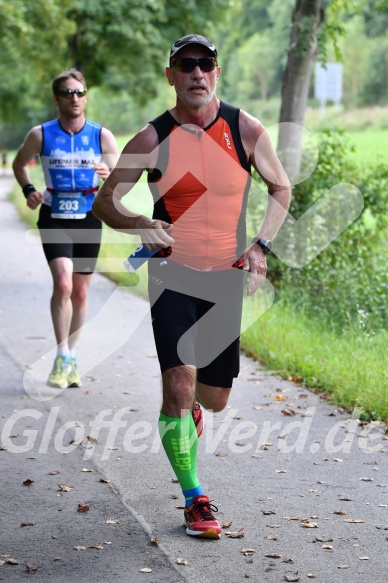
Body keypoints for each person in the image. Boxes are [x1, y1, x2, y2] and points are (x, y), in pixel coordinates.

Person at [93, 34, 291, 539]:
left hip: (225, 275)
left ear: (217, 73)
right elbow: (105, 201)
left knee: (214, 397)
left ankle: (195, 414)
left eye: (205, 65)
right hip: (172, 273)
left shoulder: (244, 129)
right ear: (171, 75)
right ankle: (195, 498)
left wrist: (261, 246)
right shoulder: (152, 138)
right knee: (178, 386)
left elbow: (281, 188)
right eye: (186, 66)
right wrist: (140, 222)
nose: (196, 74)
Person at [13, 69, 119, 390]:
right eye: (68, 93)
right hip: (55, 215)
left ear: (86, 97)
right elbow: (20, 164)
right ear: (57, 98)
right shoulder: (40, 135)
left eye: (80, 92)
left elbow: (121, 176)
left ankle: (72, 355)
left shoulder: (101, 136)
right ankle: (61, 355)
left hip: (89, 215)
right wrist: (29, 189)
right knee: (63, 285)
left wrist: (107, 172)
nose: (75, 98)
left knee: (82, 290)